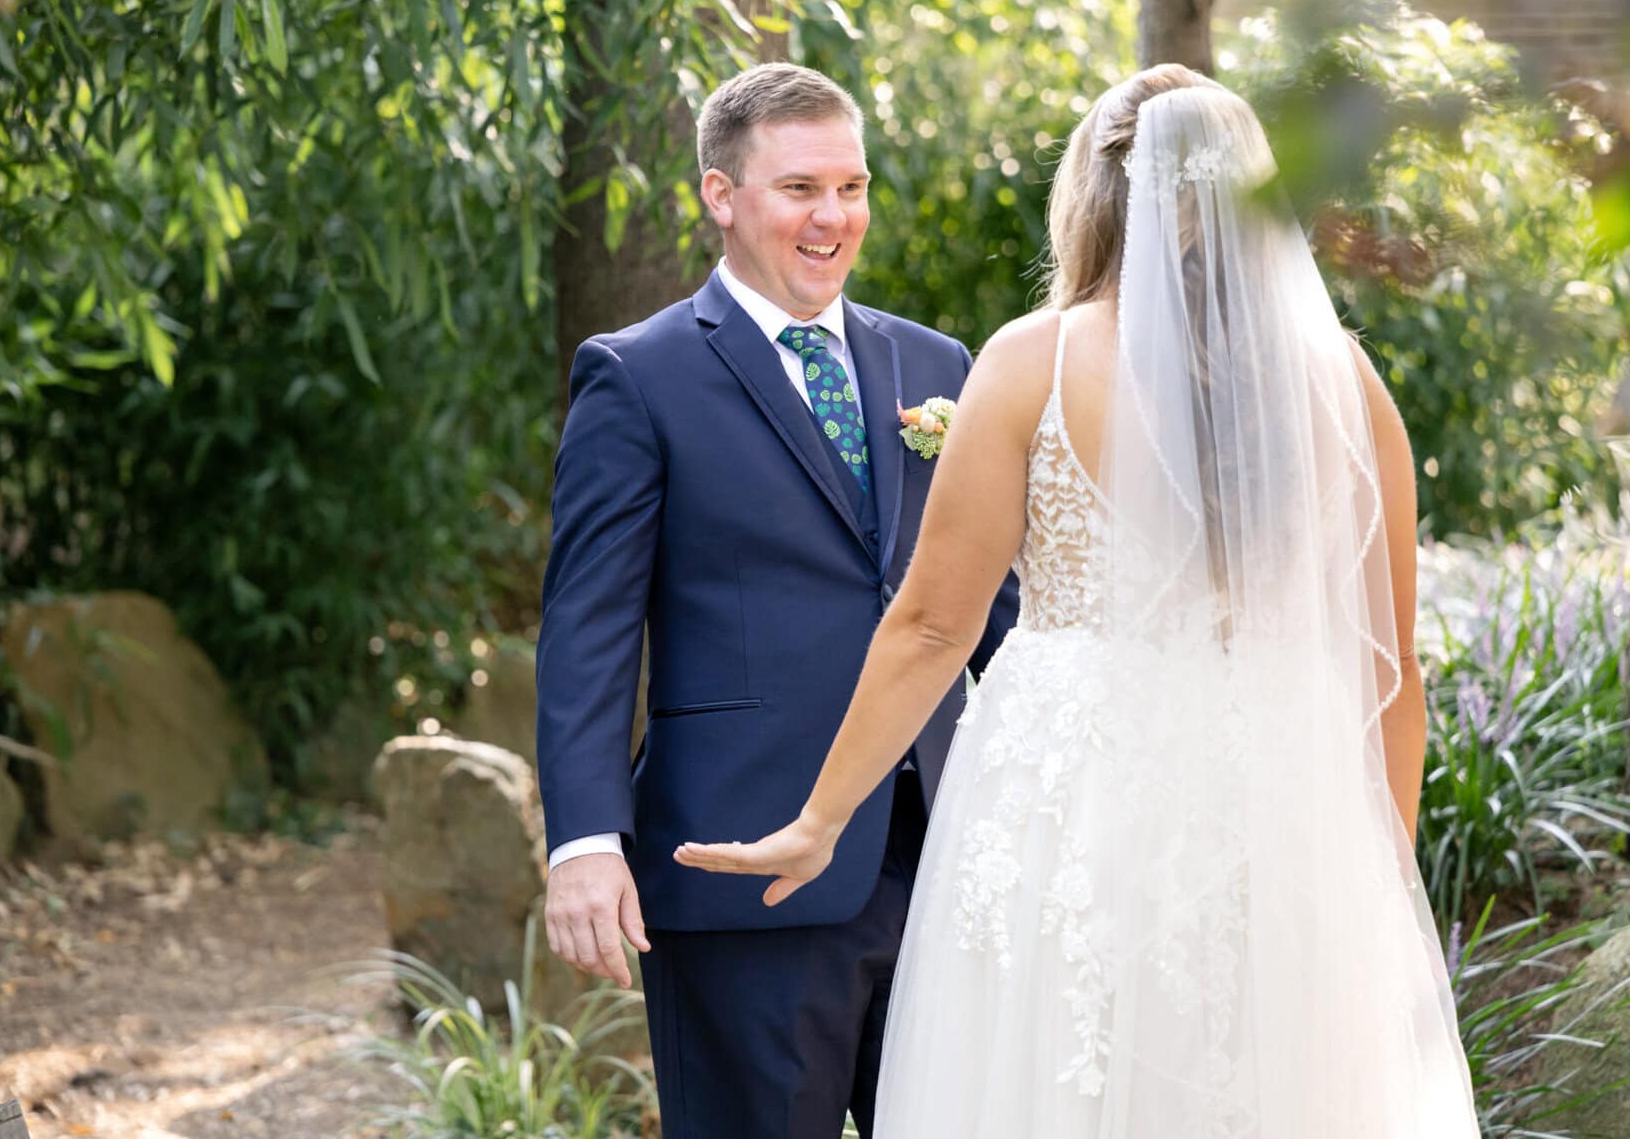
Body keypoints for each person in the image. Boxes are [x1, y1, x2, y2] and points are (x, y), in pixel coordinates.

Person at [678, 66, 1481, 1136]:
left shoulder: (1036, 362)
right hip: (1275, 816)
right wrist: (1381, 892)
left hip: (1074, 818)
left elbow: (929, 625)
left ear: (1094, 197)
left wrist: (820, 819)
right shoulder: (1343, 384)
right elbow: (1392, 671)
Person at [535, 61, 1020, 1139]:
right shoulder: (638, 374)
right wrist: (584, 843)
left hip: (944, 855)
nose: (833, 217)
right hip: (743, 868)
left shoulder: (939, 363)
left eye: (851, 188)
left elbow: (991, 609)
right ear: (721, 195)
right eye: (801, 189)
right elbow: (588, 631)